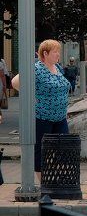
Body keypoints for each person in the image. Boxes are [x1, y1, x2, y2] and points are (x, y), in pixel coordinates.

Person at [12, 40, 72, 173]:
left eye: (58, 51)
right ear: (45, 53)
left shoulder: (58, 68)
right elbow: (15, 83)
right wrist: (31, 98)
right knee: (40, 151)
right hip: (42, 117)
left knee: (64, 149)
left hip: (60, 117)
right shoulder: (36, 68)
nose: (58, 54)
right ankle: (43, 184)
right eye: (55, 52)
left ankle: (57, 180)